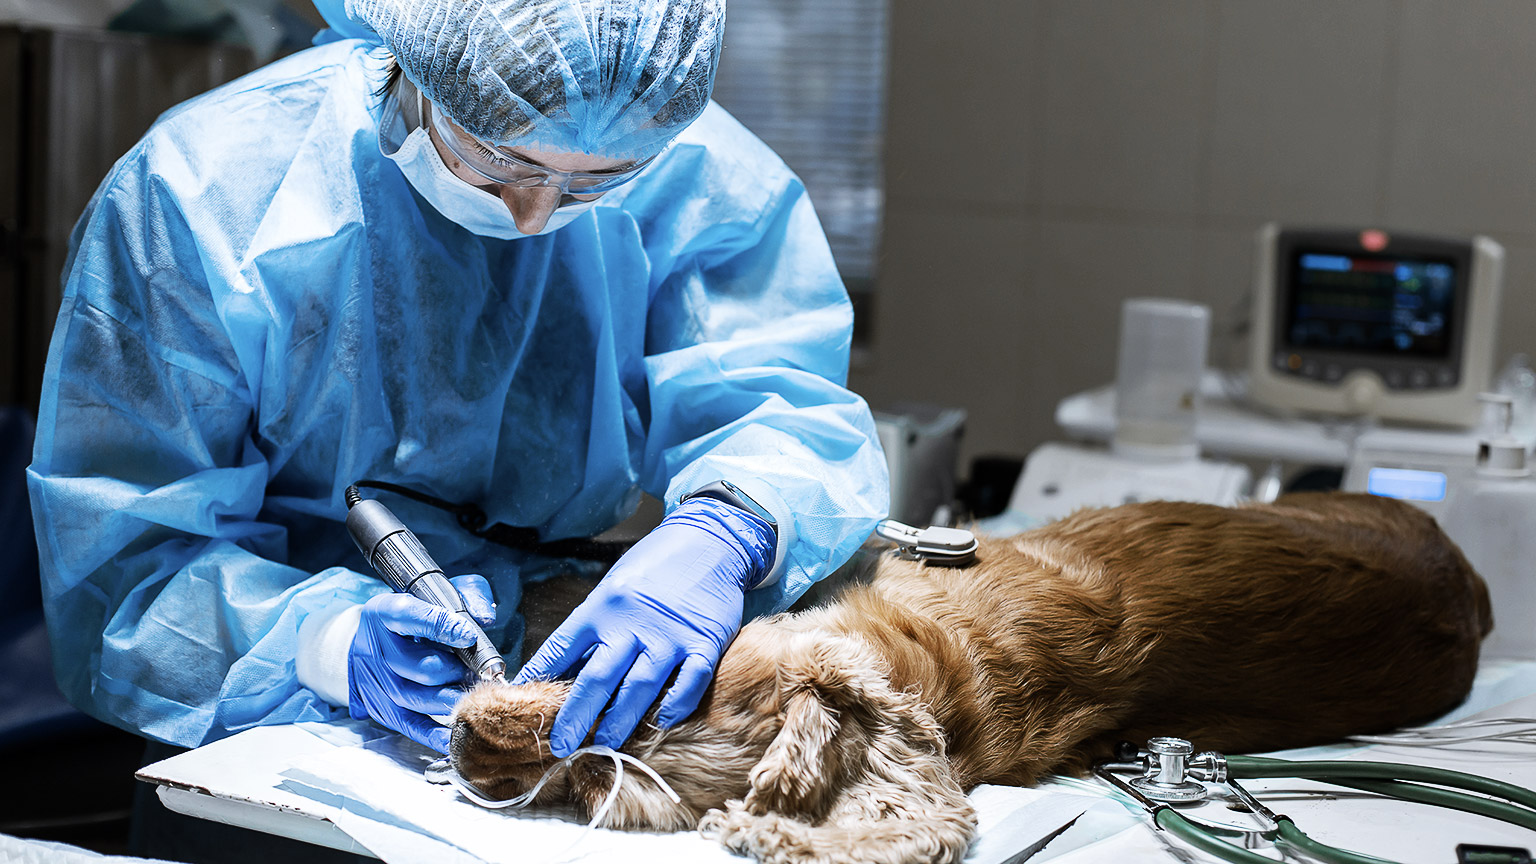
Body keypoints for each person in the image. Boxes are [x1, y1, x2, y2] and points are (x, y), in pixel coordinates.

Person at [27, 0, 888, 762]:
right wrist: (323, 644)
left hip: (561, 663)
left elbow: (780, 399)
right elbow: (122, 563)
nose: (537, 215)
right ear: (417, 60)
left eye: (597, 183)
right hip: (269, 744)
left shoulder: (689, 163)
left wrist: (725, 527)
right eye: (500, 162)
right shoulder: (206, 193)